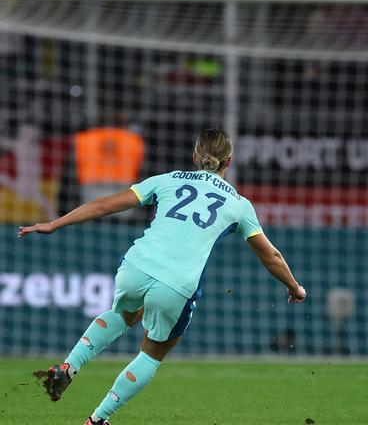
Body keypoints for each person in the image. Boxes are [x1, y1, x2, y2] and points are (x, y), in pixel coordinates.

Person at [19, 128, 307, 425]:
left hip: (136, 265)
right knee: (152, 353)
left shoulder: (167, 180)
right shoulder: (238, 204)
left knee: (125, 313)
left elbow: (104, 205)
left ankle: (68, 367)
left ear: (195, 155)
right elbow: (269, 256)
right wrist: (294, 286)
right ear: (229, 161)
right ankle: (96, 420)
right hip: (177, 284)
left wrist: (54, 223)